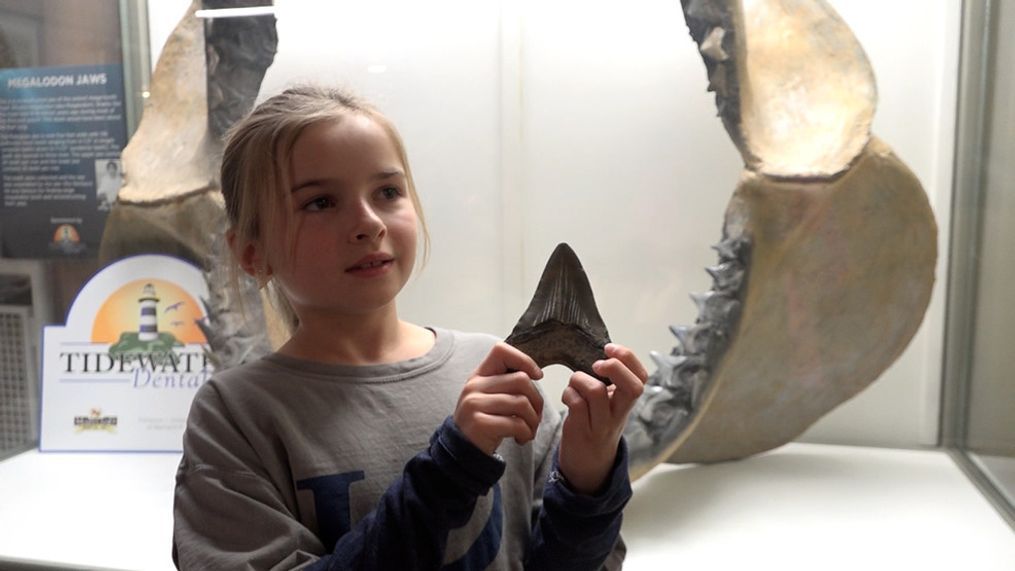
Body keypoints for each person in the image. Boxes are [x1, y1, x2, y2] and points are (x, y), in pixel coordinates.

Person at [172, 85, 648, 570]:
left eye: (387, 192)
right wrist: (452, 467)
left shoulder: (496, 372)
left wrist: (587, 477)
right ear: (254, 253)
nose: (368, 222)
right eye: (320, 203)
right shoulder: (235, 417)